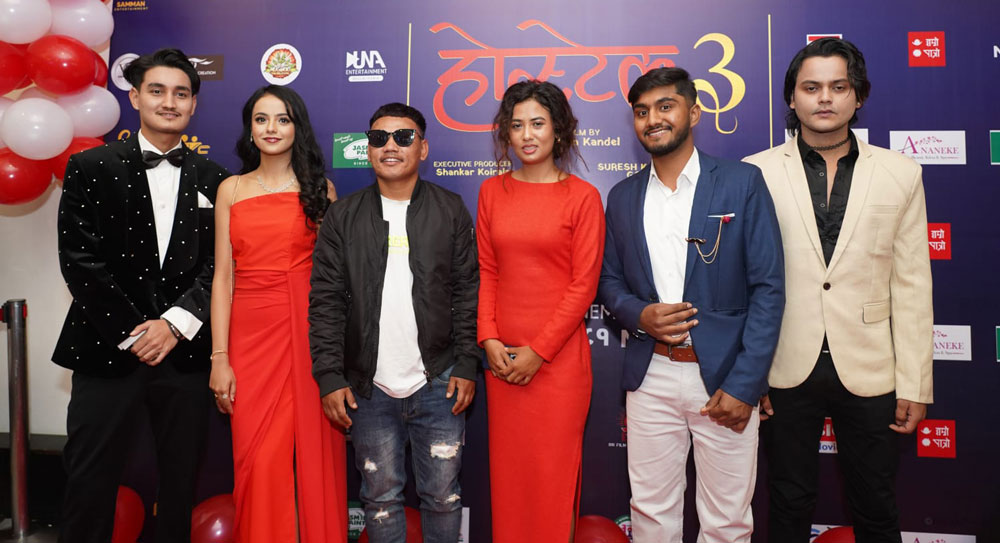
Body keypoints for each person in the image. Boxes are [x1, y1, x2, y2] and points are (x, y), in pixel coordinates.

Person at [744, 38, 932, 543]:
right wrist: (749, 374)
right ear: (792, 97)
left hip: (871, 365)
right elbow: (744, 282)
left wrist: (915, 384)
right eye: (811, 87)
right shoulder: (755, 173)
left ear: (858, 95)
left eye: (838, 86)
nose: (824, 98)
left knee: (877, 505)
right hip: (783, 364)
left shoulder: (901, 173)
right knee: (787, 502)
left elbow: (912, 285)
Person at [598, 67, 784, 543]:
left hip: (723, 378)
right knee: (650, 513)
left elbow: (768, 288)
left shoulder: (742, 182)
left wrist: (746, 384)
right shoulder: (622, 196)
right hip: (650, 376)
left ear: (694, 112)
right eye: (642, 111)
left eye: (666, 106)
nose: (653, 119)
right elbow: (609, 282)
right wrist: (639, 315)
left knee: (726, 522)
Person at [53, 48, 229, 543]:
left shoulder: (217, 180)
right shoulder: (88, 166)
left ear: (193, 104)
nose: (169, 102)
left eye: (181, 93)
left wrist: (173, 325)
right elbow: (79, 260)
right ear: (134, 97)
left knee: (180, 484)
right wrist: (137, 333)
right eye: (157, 90)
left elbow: (220, 266)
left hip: (185, 354)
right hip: (106, 347)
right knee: (89, 481)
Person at [309, 102, 479, 543]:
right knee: (380, 501)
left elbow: (467, 292)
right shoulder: (343, 217)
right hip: (368, 388)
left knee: (443, 497)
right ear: (367, 148)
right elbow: (326, 301)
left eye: (403, 137)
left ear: (422, 148)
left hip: (439, 382)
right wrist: (329, 375)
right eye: (378, 137)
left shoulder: (450, 209)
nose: (390, 146)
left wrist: (466, 363)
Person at [208, 85, 347, 543]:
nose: (271, 128)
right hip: (248, 336)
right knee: (258, 456)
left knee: (316, 449)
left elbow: (333, 278)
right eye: (261, 119)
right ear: (249, 128)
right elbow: (223, 279)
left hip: (307, 330)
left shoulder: (320, 190)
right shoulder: (231, 189)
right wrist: (220, 357)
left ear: (297, 127)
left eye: (282, 119)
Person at [476, 80, 605, 542]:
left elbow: (583, 285)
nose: (527, 135)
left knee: (552, 480)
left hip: (557, 366)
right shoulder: (492, 192)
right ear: (505, 134)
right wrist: (489, 338)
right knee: (510, 482)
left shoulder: (583, 197)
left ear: (559, 130)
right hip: (502, 363)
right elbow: (487, 270)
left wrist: (539, 351)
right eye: (517, 125)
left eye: (537, 123)